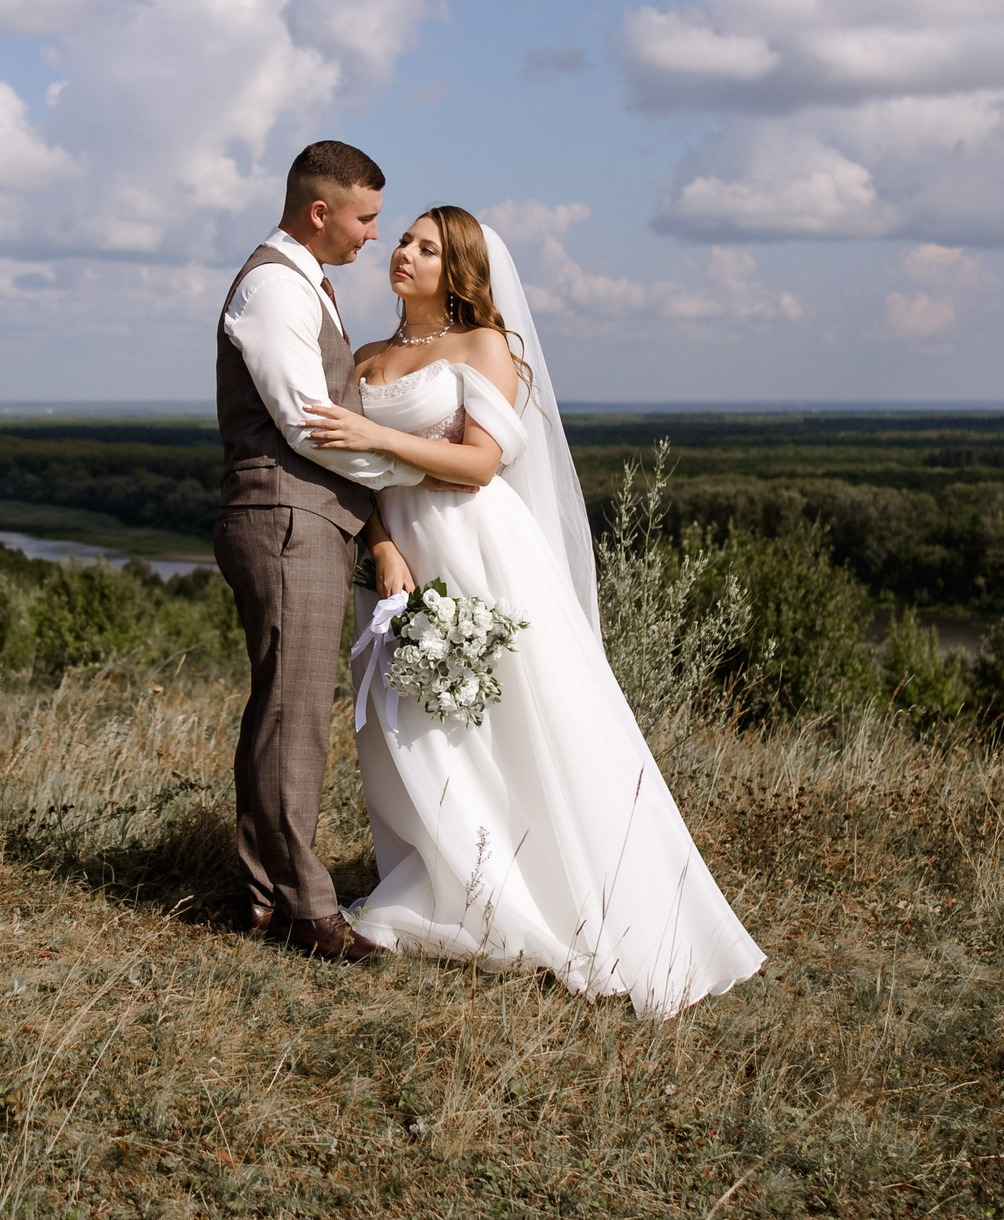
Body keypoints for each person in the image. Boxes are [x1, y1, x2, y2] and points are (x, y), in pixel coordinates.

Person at [304, 205, 764, 1017]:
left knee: (511, 721)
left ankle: (549, 893)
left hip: (479, 551)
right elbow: (353, 479)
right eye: (404, 240)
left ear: (458, 269)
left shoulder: (485, 346)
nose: (404, 252)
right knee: (417, 727)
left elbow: (480, 462)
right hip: (404, 558)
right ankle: (449, 883)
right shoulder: (367, 356)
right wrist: (381, 545)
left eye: (427, 247)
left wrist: (377, 442)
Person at [213, 139, 431, 960]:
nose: (375, 234)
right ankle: (307, 911)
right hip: (284, 518)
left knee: (285, 709)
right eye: (366, 217)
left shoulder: (303, 283)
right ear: (319, 212)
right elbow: (311, 426)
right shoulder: (274, 285)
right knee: (294, 715)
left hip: (301, 519)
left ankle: (266, 898)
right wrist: (418, 468)